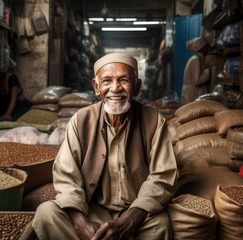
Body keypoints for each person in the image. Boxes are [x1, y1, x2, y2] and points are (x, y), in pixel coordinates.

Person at [32, 52, 179, 240]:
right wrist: (80, 222)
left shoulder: (153, 121)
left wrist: (131, 220)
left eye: (124, 80)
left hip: (135, 211)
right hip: (92, 210)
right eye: (107, 81)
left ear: (137, 86)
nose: (115, 88)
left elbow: (164, 174)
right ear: (96, 86)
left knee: (161, 225)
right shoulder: (81, 120)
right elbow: (65, 175)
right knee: (47, 213)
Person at [0, 46, 31, 124]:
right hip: (6, 110)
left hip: (18, 108)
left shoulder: (12, 78)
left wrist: (7, 114)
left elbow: (13, 99)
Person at [181, 36, 211, 105]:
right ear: (201, 48)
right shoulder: (196, 60)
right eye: (206, 47)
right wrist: (208, 72)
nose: (208, 49)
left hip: (191, 94)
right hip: (192, 95)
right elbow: (197, 81)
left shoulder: (197, 59)